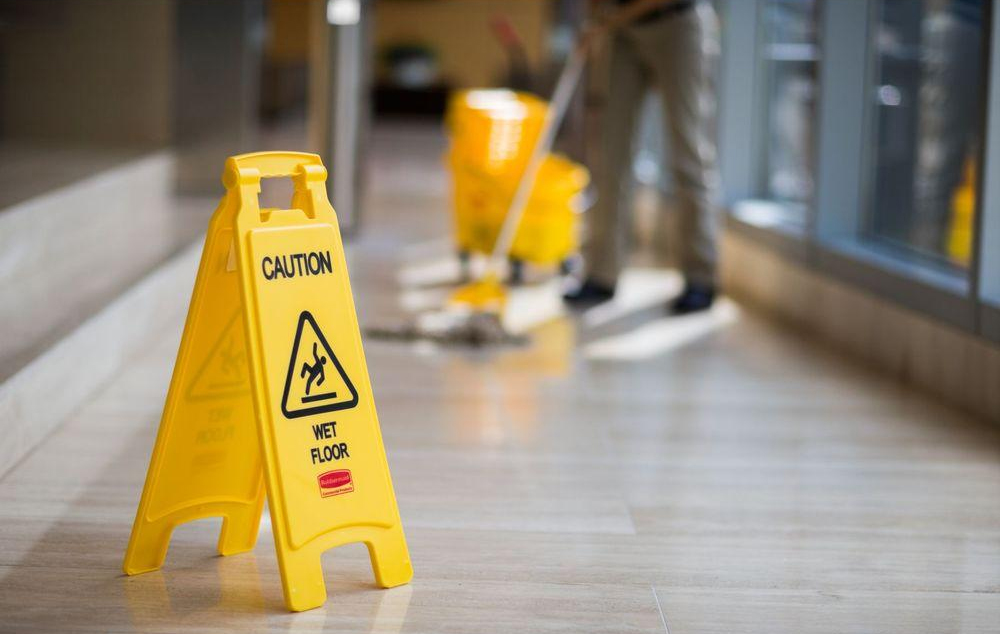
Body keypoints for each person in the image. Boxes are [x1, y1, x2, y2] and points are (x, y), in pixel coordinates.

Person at [564, 0, 721, 314]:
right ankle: (601, 274)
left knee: (687, 153)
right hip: (623, 33)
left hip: (677, 22)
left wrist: (605, 24)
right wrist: (594, 22)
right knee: (609, 154)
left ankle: (700, 278)